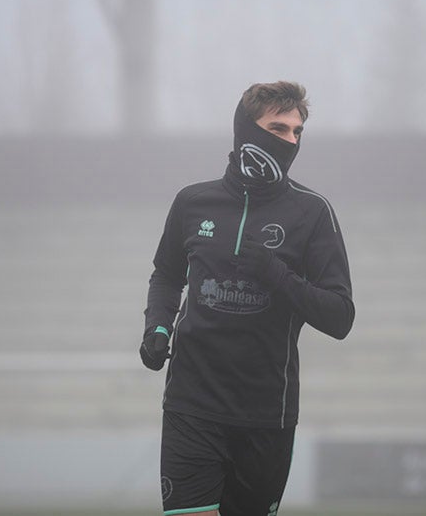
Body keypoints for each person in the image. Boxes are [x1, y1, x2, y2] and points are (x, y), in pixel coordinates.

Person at [140, 81, 355, 516]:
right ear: (245, 130)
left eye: (297, 132)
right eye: (278, 128)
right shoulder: (193, 201)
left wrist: (277, 274)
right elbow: (166, 274)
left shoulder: (313, 212)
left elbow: (340, 316)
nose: (290, 141)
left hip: (266, 415)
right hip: (191, 403)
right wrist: (156, 327)